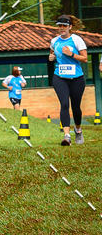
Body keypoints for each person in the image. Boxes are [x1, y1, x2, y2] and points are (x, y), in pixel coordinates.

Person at [49, 15, 88, 145]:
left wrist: (71, 54)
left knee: (76, 107)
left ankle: (78, 130)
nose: (62, 28)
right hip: (60, 77)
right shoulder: (54, 41)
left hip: (77, 78)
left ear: (70, 27)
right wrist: (51, 57)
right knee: (64, 104)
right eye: (59, 26)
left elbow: (85, 58)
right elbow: (52, 53)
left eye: (64, 26)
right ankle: (67, 136)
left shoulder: (77, 40)